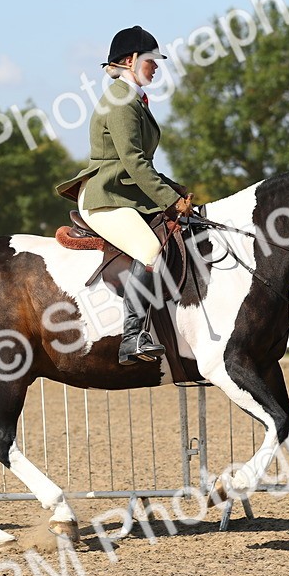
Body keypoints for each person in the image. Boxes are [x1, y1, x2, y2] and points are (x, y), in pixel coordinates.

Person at [55, 26, 193, 365]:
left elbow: (140, 163)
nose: (156, 66)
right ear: (130, 60)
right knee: (149, 249)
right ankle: (132, 337)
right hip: (105, 196)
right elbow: (133, 161)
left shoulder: (133, 99)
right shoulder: (121, 100)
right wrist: (170, 200)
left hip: (125, 194)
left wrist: (175, 189)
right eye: (150, 60)